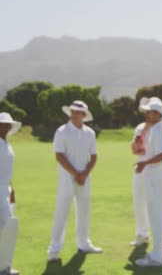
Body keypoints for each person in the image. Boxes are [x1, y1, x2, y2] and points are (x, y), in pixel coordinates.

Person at [47, 101, 102, 262]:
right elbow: (59, 155)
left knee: (84, 210)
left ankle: (84, 244)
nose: (75, 114)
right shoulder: (62, 131)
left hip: (85, 177)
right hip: (66, 177)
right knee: (62, 211)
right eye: (73, 111)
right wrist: (75, 173)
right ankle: (54, 250)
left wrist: (84, 174)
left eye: (78, 112)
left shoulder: (90, 133)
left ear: (84, 115)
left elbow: (94, 156)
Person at [130, 97, 162, 252]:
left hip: (153, 170)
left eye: (149, 111)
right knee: (139, 203)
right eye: (146, 111)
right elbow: (137, 150)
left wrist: (145, 162)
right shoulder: (140, 128)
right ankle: (142, 235)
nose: (146, 114)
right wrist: (140, 137)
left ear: (158, 113)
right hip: (140, 169)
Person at [0, 113, 21, 275]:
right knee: (10, 225)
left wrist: (11, 189)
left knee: (7, 228)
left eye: (7, 125)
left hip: (5, 191)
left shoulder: (8, 145)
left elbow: (7, 171)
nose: (5, 127)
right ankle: (4, 267)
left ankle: (5, 266)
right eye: (2, 124)